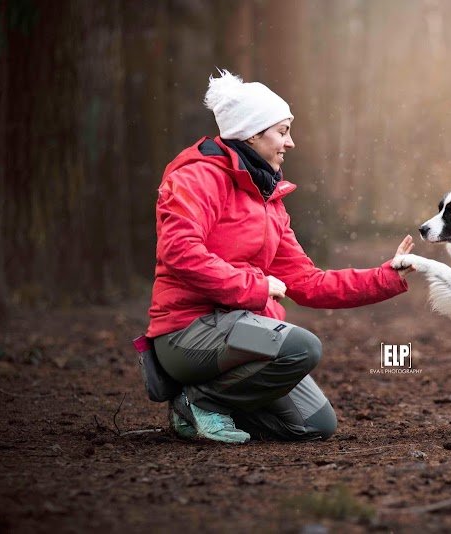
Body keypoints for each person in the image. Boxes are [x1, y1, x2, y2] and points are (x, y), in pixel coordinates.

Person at [147, 69, 414, 444]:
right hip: (186, 332)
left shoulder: (268, 198)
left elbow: (307, 282)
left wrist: (385, 276)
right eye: (283, 131)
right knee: (302, 348)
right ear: (252, 135)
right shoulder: (197, 177)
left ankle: (210, 411)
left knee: (315, 424)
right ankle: (198, 401)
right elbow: (180, 252)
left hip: (242, 332)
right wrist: (255, 287)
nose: (291, 142)